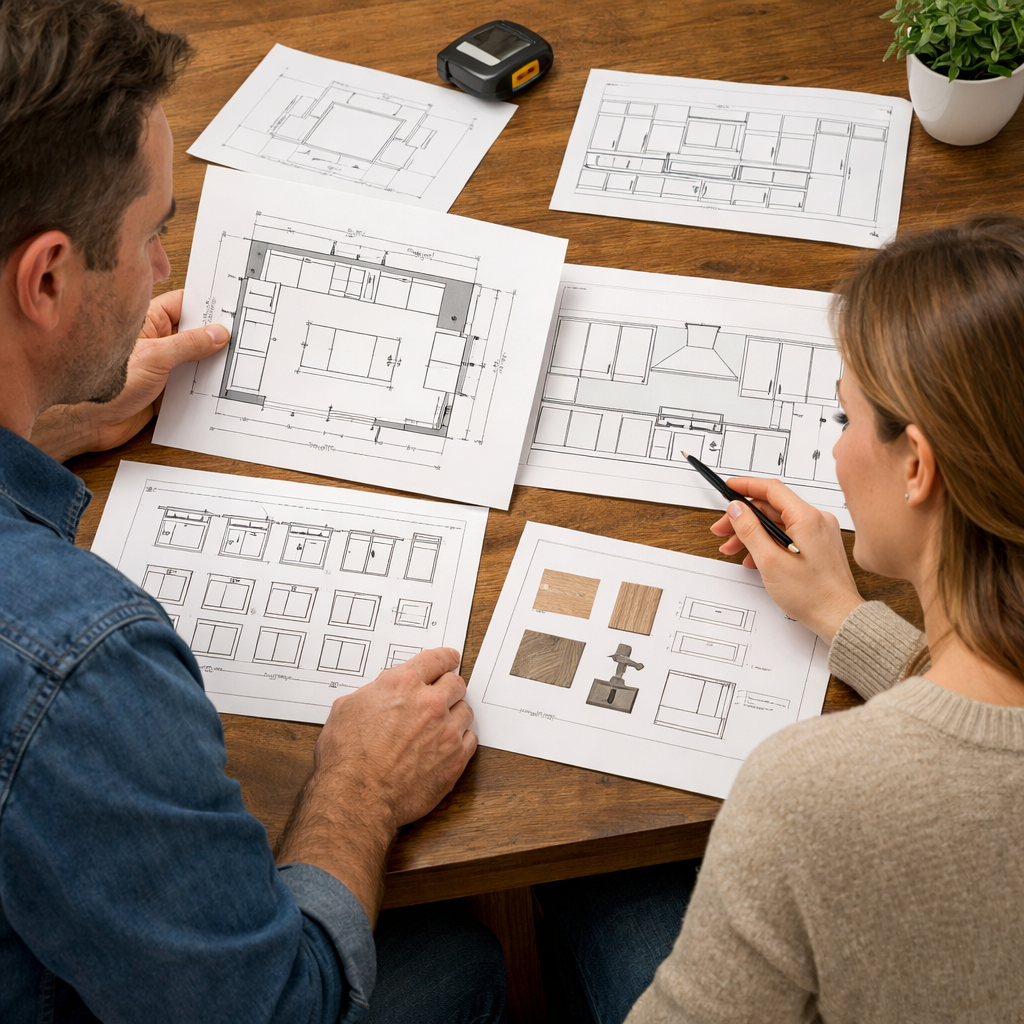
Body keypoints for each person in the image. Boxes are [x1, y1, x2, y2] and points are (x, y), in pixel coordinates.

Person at [0, 3, 505, 1022]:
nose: (160, 272)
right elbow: (276, 1008)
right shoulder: (78, 665)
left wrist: (51, 418)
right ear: (48, 276)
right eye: (152, 233)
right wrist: (357, 789)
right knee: (458, 958)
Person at [537, 213, 1024, 1024]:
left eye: (843, 420)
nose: (833, 452)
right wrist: (843, 615)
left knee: (597, 885)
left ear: (916, 465)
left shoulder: (814, 796)